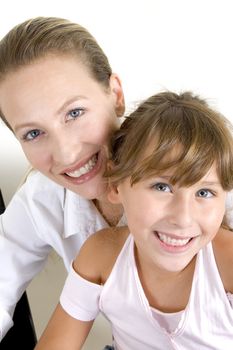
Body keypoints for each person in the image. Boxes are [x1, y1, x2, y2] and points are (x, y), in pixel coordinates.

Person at [35, 91, 233, 350]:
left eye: (204, 193)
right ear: (116, 185)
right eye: (162, 187)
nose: (183, 218)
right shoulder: (101, 256)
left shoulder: (227, 262)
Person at [0, 16, 125, 341]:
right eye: (34, 133)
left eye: (74, 113)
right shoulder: (43, 197)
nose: (67, 155)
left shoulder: (206, 179)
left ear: (116, 94)